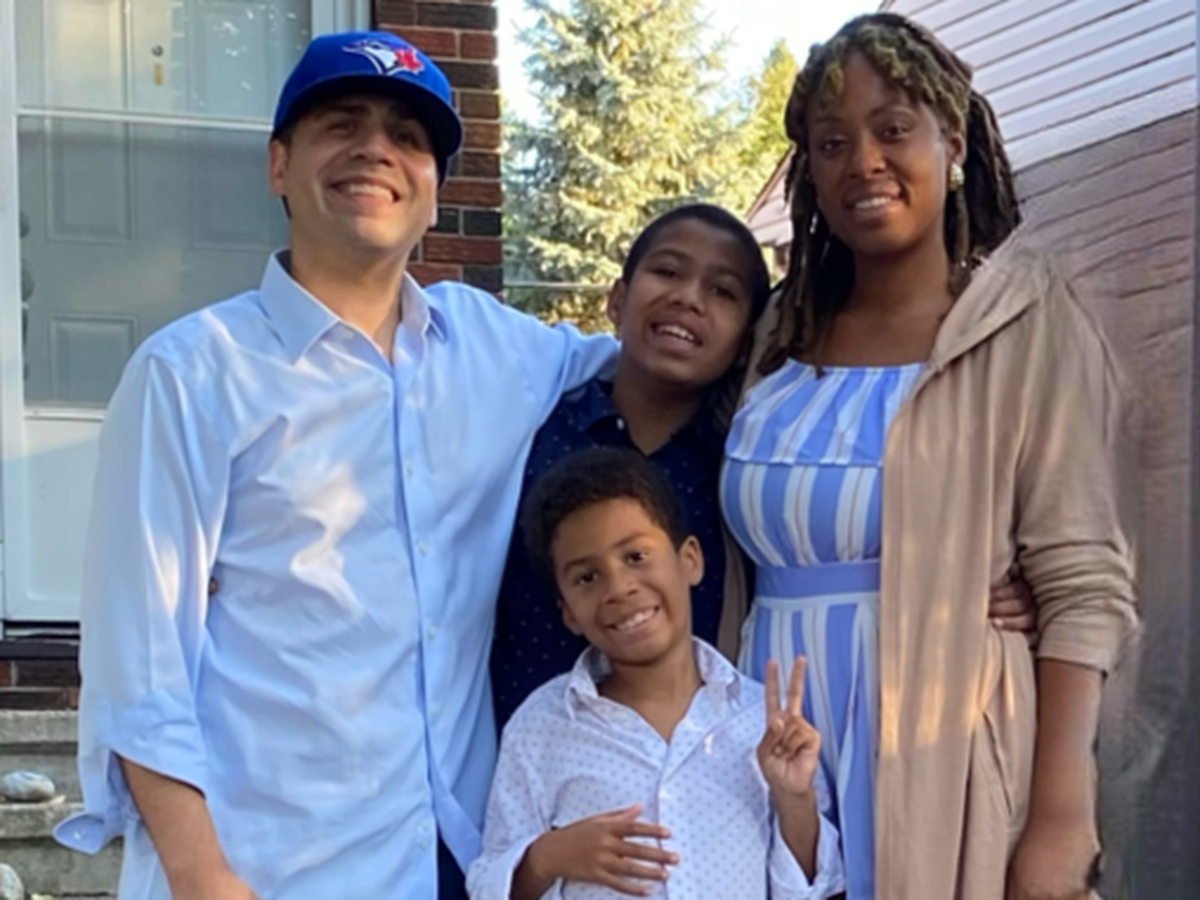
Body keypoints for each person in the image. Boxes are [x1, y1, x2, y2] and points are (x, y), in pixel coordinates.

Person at [56, 31, 614, 900]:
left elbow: (665, 354)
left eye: (407, 136)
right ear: (278, 166)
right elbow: (140, 665)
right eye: (342, 124)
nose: (375, 150)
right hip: (268, 868)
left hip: (453, 859)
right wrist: (203, 876)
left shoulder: (496, 350)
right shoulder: (193, 375)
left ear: (435, 191)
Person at [724, 13, 1138, 900]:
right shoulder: (779, 331)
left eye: (893, 129)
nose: (863, 161)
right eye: (832, 143)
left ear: (952, 141)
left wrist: (1062, 817)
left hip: (939, 748)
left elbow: (1081, 584)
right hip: (768, 738)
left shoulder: (1021, 323)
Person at [489, 204, 1037, 733]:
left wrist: (977, 583)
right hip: (533, 756)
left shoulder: (746, 471)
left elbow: (839, 538)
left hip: (698, 764)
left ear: (745, 342)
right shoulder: (530, 429)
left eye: (723, 292)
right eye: (668, 272)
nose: (688, 298)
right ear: (617, 299)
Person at [468, 447, 846, 899]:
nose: (619, 588)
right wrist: (546, 857)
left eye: (636, 556)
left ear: (690, 560)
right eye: (587, 577)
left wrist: (794, 800)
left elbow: (812, 890)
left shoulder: (760, 722)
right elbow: (489, 885)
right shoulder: (542, 727)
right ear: (567, 612)